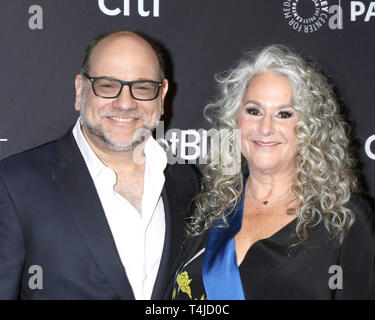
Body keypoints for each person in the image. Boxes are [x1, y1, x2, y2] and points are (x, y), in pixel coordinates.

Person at [0, 30, 198, 300]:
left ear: (162, 96)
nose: (125, 103)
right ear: (81, 90)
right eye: (107, 85)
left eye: (142, 88)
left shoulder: (185, 181)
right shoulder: (14, 185)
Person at [172, 45, 375, 300]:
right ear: (235, 119)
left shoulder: (345, 218)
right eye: (254, 111)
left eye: (284, 114)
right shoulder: (210, 208)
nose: (265, 127)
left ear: (310, 127)